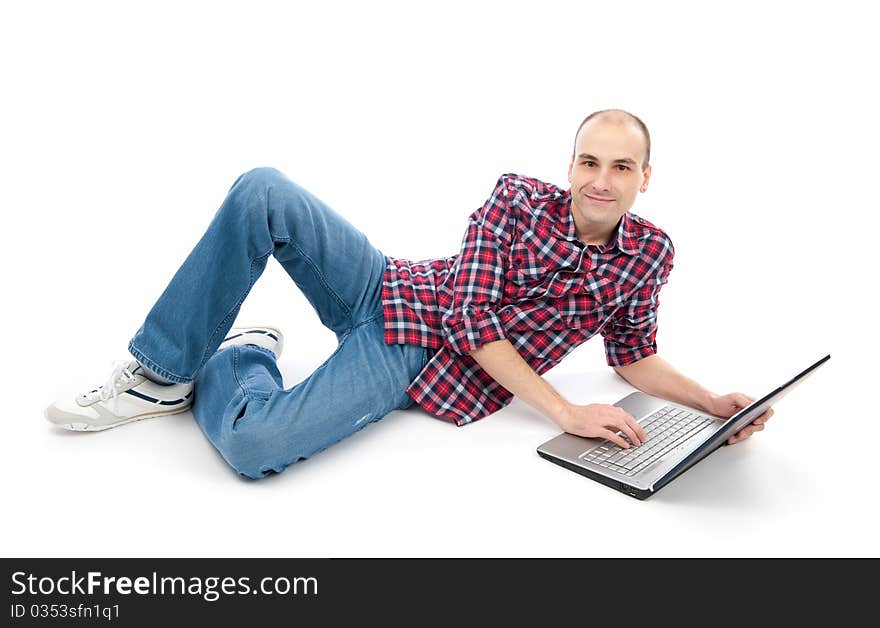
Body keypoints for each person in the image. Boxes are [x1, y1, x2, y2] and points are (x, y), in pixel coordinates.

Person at [45, 109, 773, 479]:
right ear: (570, 163)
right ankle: (165, 373)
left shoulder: (649, 254)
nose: (600, 180)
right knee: (264, 190)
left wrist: (710, 405)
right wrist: (562, 410)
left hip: (414, 358)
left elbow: (635, 356)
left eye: (621, 167)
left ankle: (243, 356)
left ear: (645, 178)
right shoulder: (518, 199)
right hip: (397, 285)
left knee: (250, 445)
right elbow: (471, 315)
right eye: (588, 160)